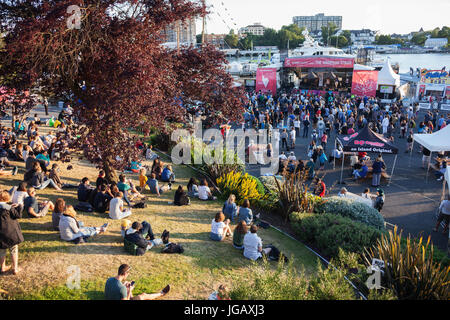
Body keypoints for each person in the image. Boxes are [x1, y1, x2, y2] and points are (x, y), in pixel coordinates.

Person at [104, 264, 170, 300]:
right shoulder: (122, 288)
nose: (128, 274)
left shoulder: (109, 279)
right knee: (143, 295)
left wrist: (124, 286)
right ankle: (162, 293)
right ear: (125, 274)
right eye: (128, 273)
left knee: (126, 284)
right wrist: (129, 290)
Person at [0, 190, 23, 275]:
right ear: (7, 198)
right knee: (13, 249)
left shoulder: (9, 207)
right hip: (11, 232)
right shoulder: (9, 208)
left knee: (1, 250)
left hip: (0, 234)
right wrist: (19, 206)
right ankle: (15, 268)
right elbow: (18, 215)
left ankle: (2, 267)